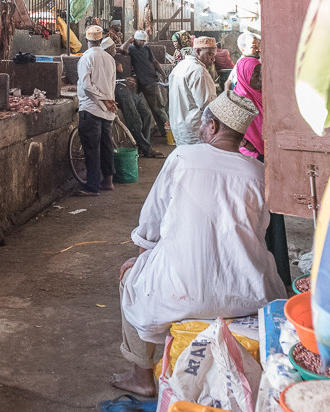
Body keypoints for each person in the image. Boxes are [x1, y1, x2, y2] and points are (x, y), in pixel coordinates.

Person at [110, 91, 287, 397]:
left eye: (205, 125)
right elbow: (257, 233)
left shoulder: (182, 158)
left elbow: (150, 226)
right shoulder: (259, 173)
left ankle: (141, 375)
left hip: (181, 297)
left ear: (213, 127)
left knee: (130, 279)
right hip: (248, 295)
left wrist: (141, 263)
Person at [232, 56, 292, 288]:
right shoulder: (240, 100)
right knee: (255, 223)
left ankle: (278, 274)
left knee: (273, 219)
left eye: (260, 73)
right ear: (245, 76)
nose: (259, 78)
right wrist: (258, 149)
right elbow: (242, 140)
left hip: (267, 161)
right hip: (250, 166)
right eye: (255, 74)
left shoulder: (262, 98)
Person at [102, 38, 163, 160]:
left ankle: (143, 145)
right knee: (136, 122)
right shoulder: (105, 60)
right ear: (108, 49)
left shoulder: (114, 59)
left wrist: (129, 79)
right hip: (119, 93)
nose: (115, 49)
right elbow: (112, 75)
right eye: (113, 47)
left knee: (146, 115)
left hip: (128, 89)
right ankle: (147, 149)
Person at [75, 26, 117, 196]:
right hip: (107, 110)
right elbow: (112, 83)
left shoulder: (86, 58)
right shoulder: (109, 58)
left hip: (91, 109)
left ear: (86, 40)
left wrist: (101, 99)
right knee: (106, 146)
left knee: (92, 149)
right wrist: (107, 100)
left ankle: (92, 186)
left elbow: (86, 86)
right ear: (100, 40)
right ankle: (108, 181)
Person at [165, 36, 217, 145]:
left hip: (179, 126)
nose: (213, 59)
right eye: (210, 54)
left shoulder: (181, 66)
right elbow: (207, 105)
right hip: (194, 130)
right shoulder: (199, 71)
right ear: (198, 51)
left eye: (214, 55)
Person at [119, 30, 169, 139]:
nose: (142, 43)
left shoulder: (146, 49)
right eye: (140, 41)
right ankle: (165, 131)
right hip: (144, 82)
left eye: (144, 41)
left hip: (151, 82)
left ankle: (169, 131)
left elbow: (155, 62)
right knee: (156, 109)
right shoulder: (132, 49)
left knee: (158, 109)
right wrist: (129, 40)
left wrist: (163, 74)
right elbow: (122, 49)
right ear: (135, 39)